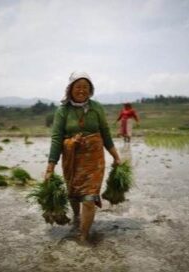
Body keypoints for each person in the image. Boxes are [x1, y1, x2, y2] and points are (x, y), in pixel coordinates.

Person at [45, 71, 121, 242]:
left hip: (94, 159)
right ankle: (76, 216)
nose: (81, 90)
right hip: (72, 158)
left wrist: (115, 156)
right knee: (73, 193)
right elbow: (57, 138)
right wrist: (50, 167)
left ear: (91, 89)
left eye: (85, 87)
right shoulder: (62, 110)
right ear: (70, 89)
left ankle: (83, 235)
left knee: (88, 198)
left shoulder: (96, 108)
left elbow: (105, 133)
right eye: (78, 87)